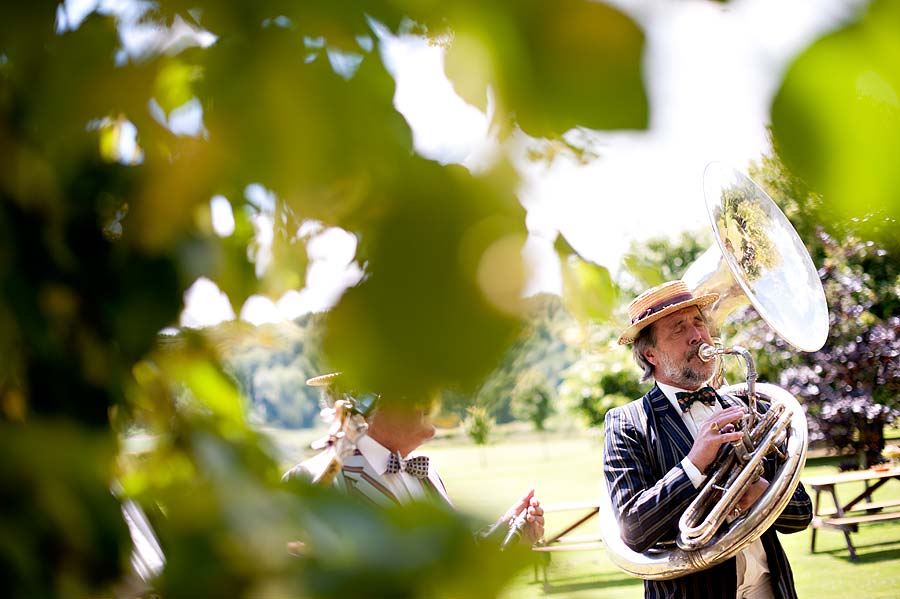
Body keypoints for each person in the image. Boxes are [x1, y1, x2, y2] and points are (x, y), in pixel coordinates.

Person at [603, 280, 812, 599]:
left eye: (698, 322)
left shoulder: (751, 407)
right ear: (651, 354)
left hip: (771, 589)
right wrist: (694, 463)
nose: (697, 335)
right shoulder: (625, 423)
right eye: (678, 328)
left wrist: (761, 492)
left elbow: (801, 515)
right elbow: (633, 529)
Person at [283, 373, 544, 547]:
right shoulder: (312, 481)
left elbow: (445, 561)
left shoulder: (425, 471)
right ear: (372, 405)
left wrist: (509, 535)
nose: (433, 402)